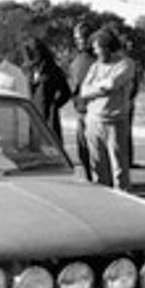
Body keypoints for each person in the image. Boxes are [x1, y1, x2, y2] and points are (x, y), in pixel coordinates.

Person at [78, 27, 136, 191]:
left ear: (108, 47)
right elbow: (84, 91)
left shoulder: (125, 64)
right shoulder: (95, 67)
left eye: (98, 48)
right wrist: (101, 88)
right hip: (93, 121)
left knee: (119, 169)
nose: (96, 52)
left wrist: (96, 88)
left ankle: (124, 201)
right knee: (97, 168)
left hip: (115, 121)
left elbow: (113, 84)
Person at [24, 38, 71, 142]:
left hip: (49, 118)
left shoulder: (52, 69)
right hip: (33, 117)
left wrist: (54, 105)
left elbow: (66, 92)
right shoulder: (29, 71)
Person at [66, 21, 96, 181]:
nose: (80, 41)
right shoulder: (76, 60)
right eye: (77, 38)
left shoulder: (96, 59)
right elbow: (72, 86)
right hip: (81, 110)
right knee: (83, 150)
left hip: (94, 111)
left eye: (83, 38)